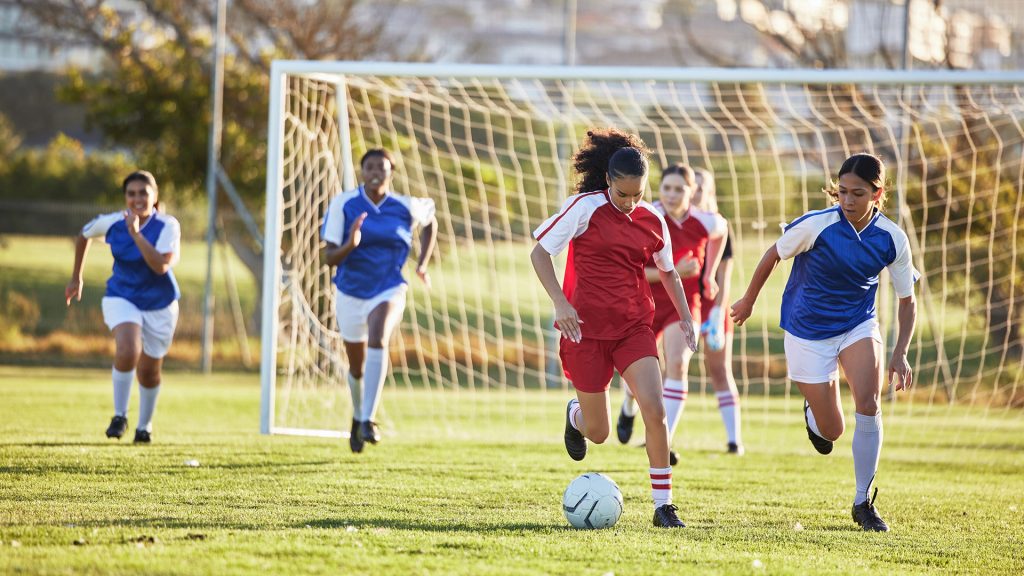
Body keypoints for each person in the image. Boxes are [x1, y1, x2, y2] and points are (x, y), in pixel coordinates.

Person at [730, 153, 918, 532]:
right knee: (832, 430)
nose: (848, 200)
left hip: (857, 325)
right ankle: (815, 413)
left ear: (877, 194)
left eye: (858, 193)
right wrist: (748, 300)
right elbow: (773, 254)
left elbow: (907, 300)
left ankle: (863, 501)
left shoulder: (892, 238)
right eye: (842, 192)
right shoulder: (817, 225)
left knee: (869, 401)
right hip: (806, 331)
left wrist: (899, 354)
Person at [530, 129, 698, 528]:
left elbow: (669, 273)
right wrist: (560, 302)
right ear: (608, 180)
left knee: (654, 410)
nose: (630, 202)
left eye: (638, 194)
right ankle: (575, 417)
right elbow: (539, 254)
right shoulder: (583, 208)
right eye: (623, 194)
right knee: (600, 432)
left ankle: (664, 506)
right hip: (584, 330)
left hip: (632, 327)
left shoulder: (653, 219)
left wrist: (687, 317)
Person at [321, 148, 437, 454]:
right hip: (350, 291)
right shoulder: (343, 204)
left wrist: (422, 263)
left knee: (378, 337)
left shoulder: (404, 205)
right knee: (356, 367)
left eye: (382, 167)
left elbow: (430, 221)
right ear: (362, 171)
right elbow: (328, 256)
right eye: (369, 166)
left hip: (389, 288)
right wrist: (351, 244)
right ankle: (358, 417)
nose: (375, 171)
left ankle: (369, 420)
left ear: (391, 173)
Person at [614, 164, 727, 468]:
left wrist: (709, 274)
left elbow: (723, 230)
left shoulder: (705, 221)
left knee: (677, 363)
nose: (673, 194)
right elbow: (631, 269)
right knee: (637, 374)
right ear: (659, 189)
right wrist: (674, 271)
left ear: (693, 192)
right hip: (644, 301)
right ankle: (628, 405)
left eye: (680, 189)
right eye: (668, 188)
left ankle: (666, 438)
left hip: (683, 303)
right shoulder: (646, 216)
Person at [66, 170, 181, 444]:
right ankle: (120, 415)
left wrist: (136, 234)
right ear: (125, 197)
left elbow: (160, 265)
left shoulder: (168, 226)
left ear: (155, 197)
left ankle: (144, 427)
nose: (138, 198)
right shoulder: (112, 222)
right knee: (128, 348)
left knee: (150, 371)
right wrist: (76, 277)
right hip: (122, 296)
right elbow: (83, 236)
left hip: (159, 304)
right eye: (132, 193)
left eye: (144, 193)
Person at [693, 167, 744, 455]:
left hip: (713, 308)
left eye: (701, 187)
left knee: (719, 369)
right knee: (667, 368)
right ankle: (662, 433)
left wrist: (716, 314)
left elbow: (724, 279)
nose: (696, 192)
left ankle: (734, 440)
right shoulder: (676, 224)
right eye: (693, 186)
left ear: (709, 192)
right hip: (683, 306)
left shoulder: (720, 227)